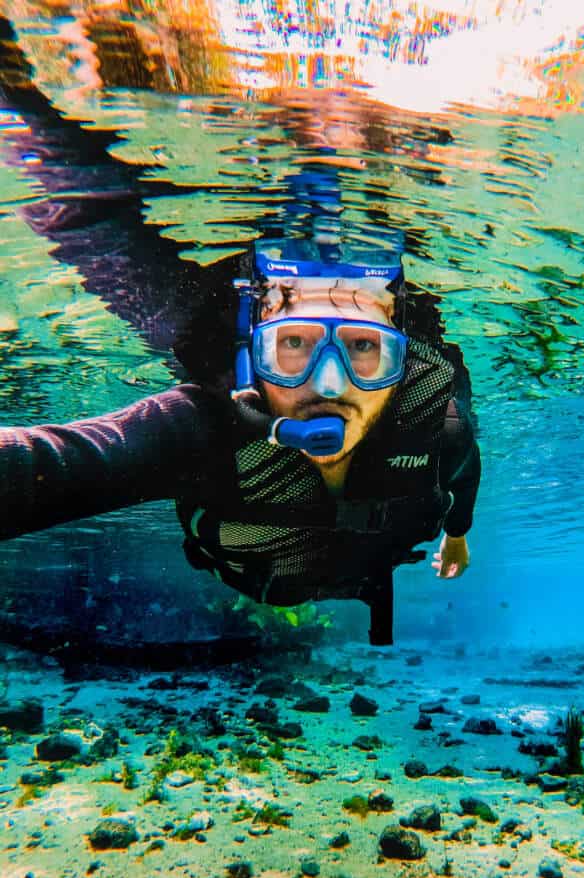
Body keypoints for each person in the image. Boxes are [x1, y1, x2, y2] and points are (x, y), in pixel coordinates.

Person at [0, 19, 481, 645]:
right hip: (260, 568)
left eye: (364, 348)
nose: (326, 385)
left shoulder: (435, 415)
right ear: (256, 358)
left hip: (368, 562)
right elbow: (58, 463)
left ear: (401, 359)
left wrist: (458, 532)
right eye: (294, 346)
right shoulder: (206, 425)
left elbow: (464, 467)